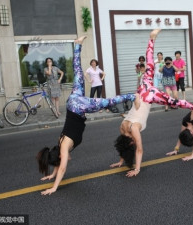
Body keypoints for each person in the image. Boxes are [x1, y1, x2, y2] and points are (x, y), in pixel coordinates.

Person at [37, 36, 136, 195]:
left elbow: (61, 166)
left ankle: (134, 96)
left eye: (62, 159)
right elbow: (58, 162)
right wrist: (52, 174)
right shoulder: (60, 144)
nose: (66, 160)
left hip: (78, 107)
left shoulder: (63, 148)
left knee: (107, 102)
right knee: (78, 73)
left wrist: (54, 187)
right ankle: (77, 46)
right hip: (72, 103)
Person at [110, 29, 193, 177]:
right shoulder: (122, 128)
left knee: (173, 102)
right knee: (150, 65)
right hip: (142, 89)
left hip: (149, 96)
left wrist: (137, 169)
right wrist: (121, 161)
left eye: (131, 143)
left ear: (129, 142)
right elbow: (124, 145)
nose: (133, 143)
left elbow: (139, 149)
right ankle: (151, 39)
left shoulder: (134, 129)